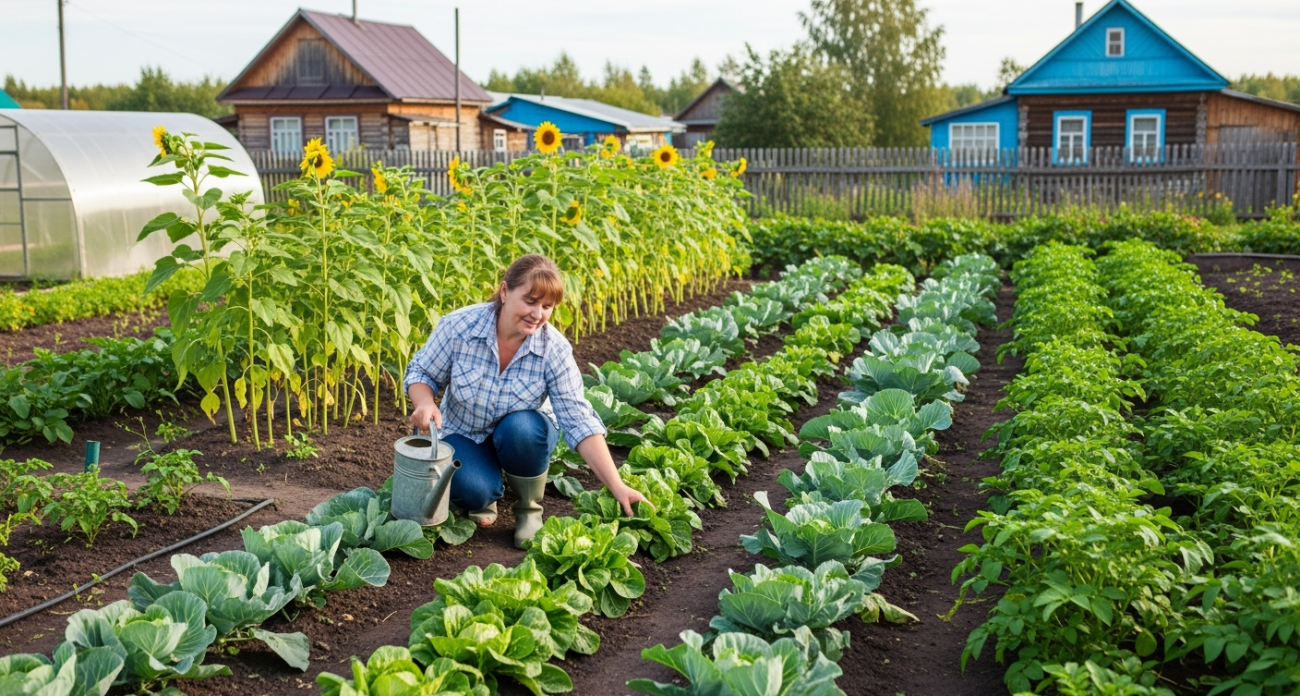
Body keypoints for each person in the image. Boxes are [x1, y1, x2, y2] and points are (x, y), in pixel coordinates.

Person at [404, 254, 650, 548]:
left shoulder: (553, 349)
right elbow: (421, 371)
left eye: (547, 307)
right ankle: (488, 491)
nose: (538, 314)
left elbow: (578, 419)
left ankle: (528, 509)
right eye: (530, 301)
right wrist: (425, 403)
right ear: (505, 291)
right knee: (473, 490)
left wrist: (617, 486)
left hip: (523, 435)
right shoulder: (460, 327)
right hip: (465, 431)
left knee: (521, 427)